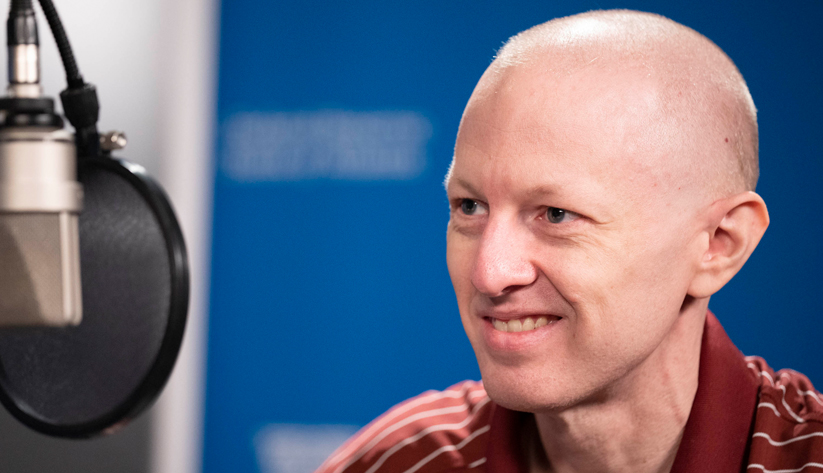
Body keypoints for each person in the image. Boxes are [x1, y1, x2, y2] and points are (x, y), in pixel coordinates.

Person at [316, 10, 823, 473]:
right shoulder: (394, 461)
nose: (488, 273)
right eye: (470, 207)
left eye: (557, 215)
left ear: (719, 243)